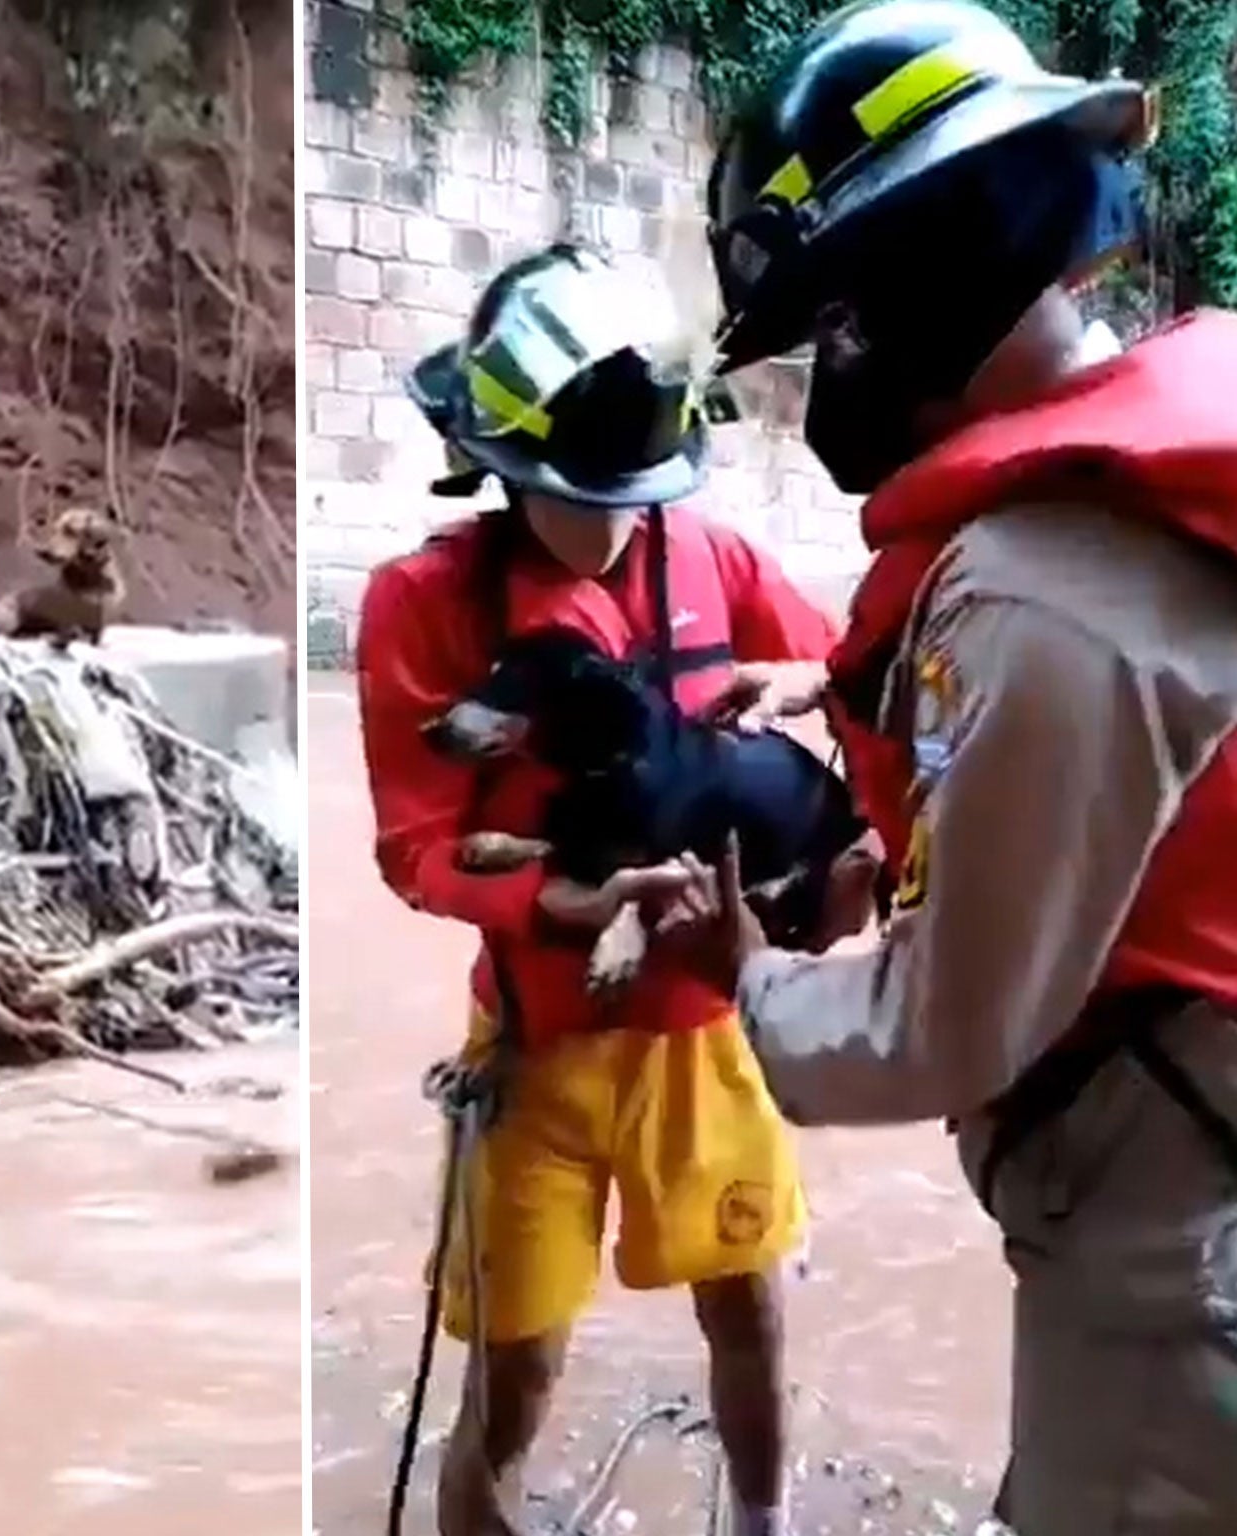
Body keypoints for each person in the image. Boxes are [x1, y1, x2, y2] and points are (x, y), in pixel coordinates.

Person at [662, 1, 1237, 1530]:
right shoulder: (1163, 478)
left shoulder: (1037, 592)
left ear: (885, 303)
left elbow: (949, 1028)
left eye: (819, 338)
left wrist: (749, 973)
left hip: (1179, 1243)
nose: (814, 386)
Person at [356, 243, 841, 1536]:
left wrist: (818, 690)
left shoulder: (721, 564)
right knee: (513, 1369)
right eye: (585, 493)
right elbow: (416, 845)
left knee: (750, 1303)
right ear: (500, 464)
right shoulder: (423, 605)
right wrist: (546, 907)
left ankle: (761, 1521)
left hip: (705, 1033)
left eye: (639, 490)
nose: (618, 523)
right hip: (538, 1041)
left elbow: (871, 682)